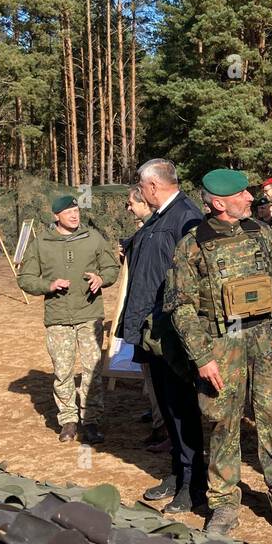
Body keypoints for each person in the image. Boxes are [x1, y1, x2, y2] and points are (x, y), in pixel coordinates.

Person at [163, 169, 272, 537]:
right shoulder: (192, 246)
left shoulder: (260, 233)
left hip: (264, 342)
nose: (251, 198)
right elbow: (180, 307)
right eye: (242, 194)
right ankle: (224, 505)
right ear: (218, 203)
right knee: (221, 426)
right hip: (220, 346)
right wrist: (201, 356)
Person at [124, 158, 205, 511]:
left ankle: (194, 482)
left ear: (153, 186)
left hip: (172, 330)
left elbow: (194, 278)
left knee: (183, 407)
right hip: (151, 329)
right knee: (168, 406)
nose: (140, 194)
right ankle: (177, 471)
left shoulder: (187, 217)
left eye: (141, 188)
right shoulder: (159, 217)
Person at [17, 196, 119, 444]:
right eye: (68, 212)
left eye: (76, 210)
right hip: (58, 317)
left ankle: (91, 420)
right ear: (56, 216)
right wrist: (48, 285)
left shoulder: (93, 238)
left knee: (92, 371)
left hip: (89, 314)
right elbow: (25, 278)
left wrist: (101, 278)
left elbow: (112, 268)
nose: (74, 215)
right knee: (63, 371)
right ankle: (68, 421)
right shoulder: (41, 243)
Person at [124, 186, 169, 447]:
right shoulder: (145, 231)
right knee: (150, 376)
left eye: (131, 203)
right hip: (144, 315)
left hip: (154, 316)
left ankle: (163, 427)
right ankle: (158, 418)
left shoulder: (157, 230)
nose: (129, 208)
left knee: (159, 377)